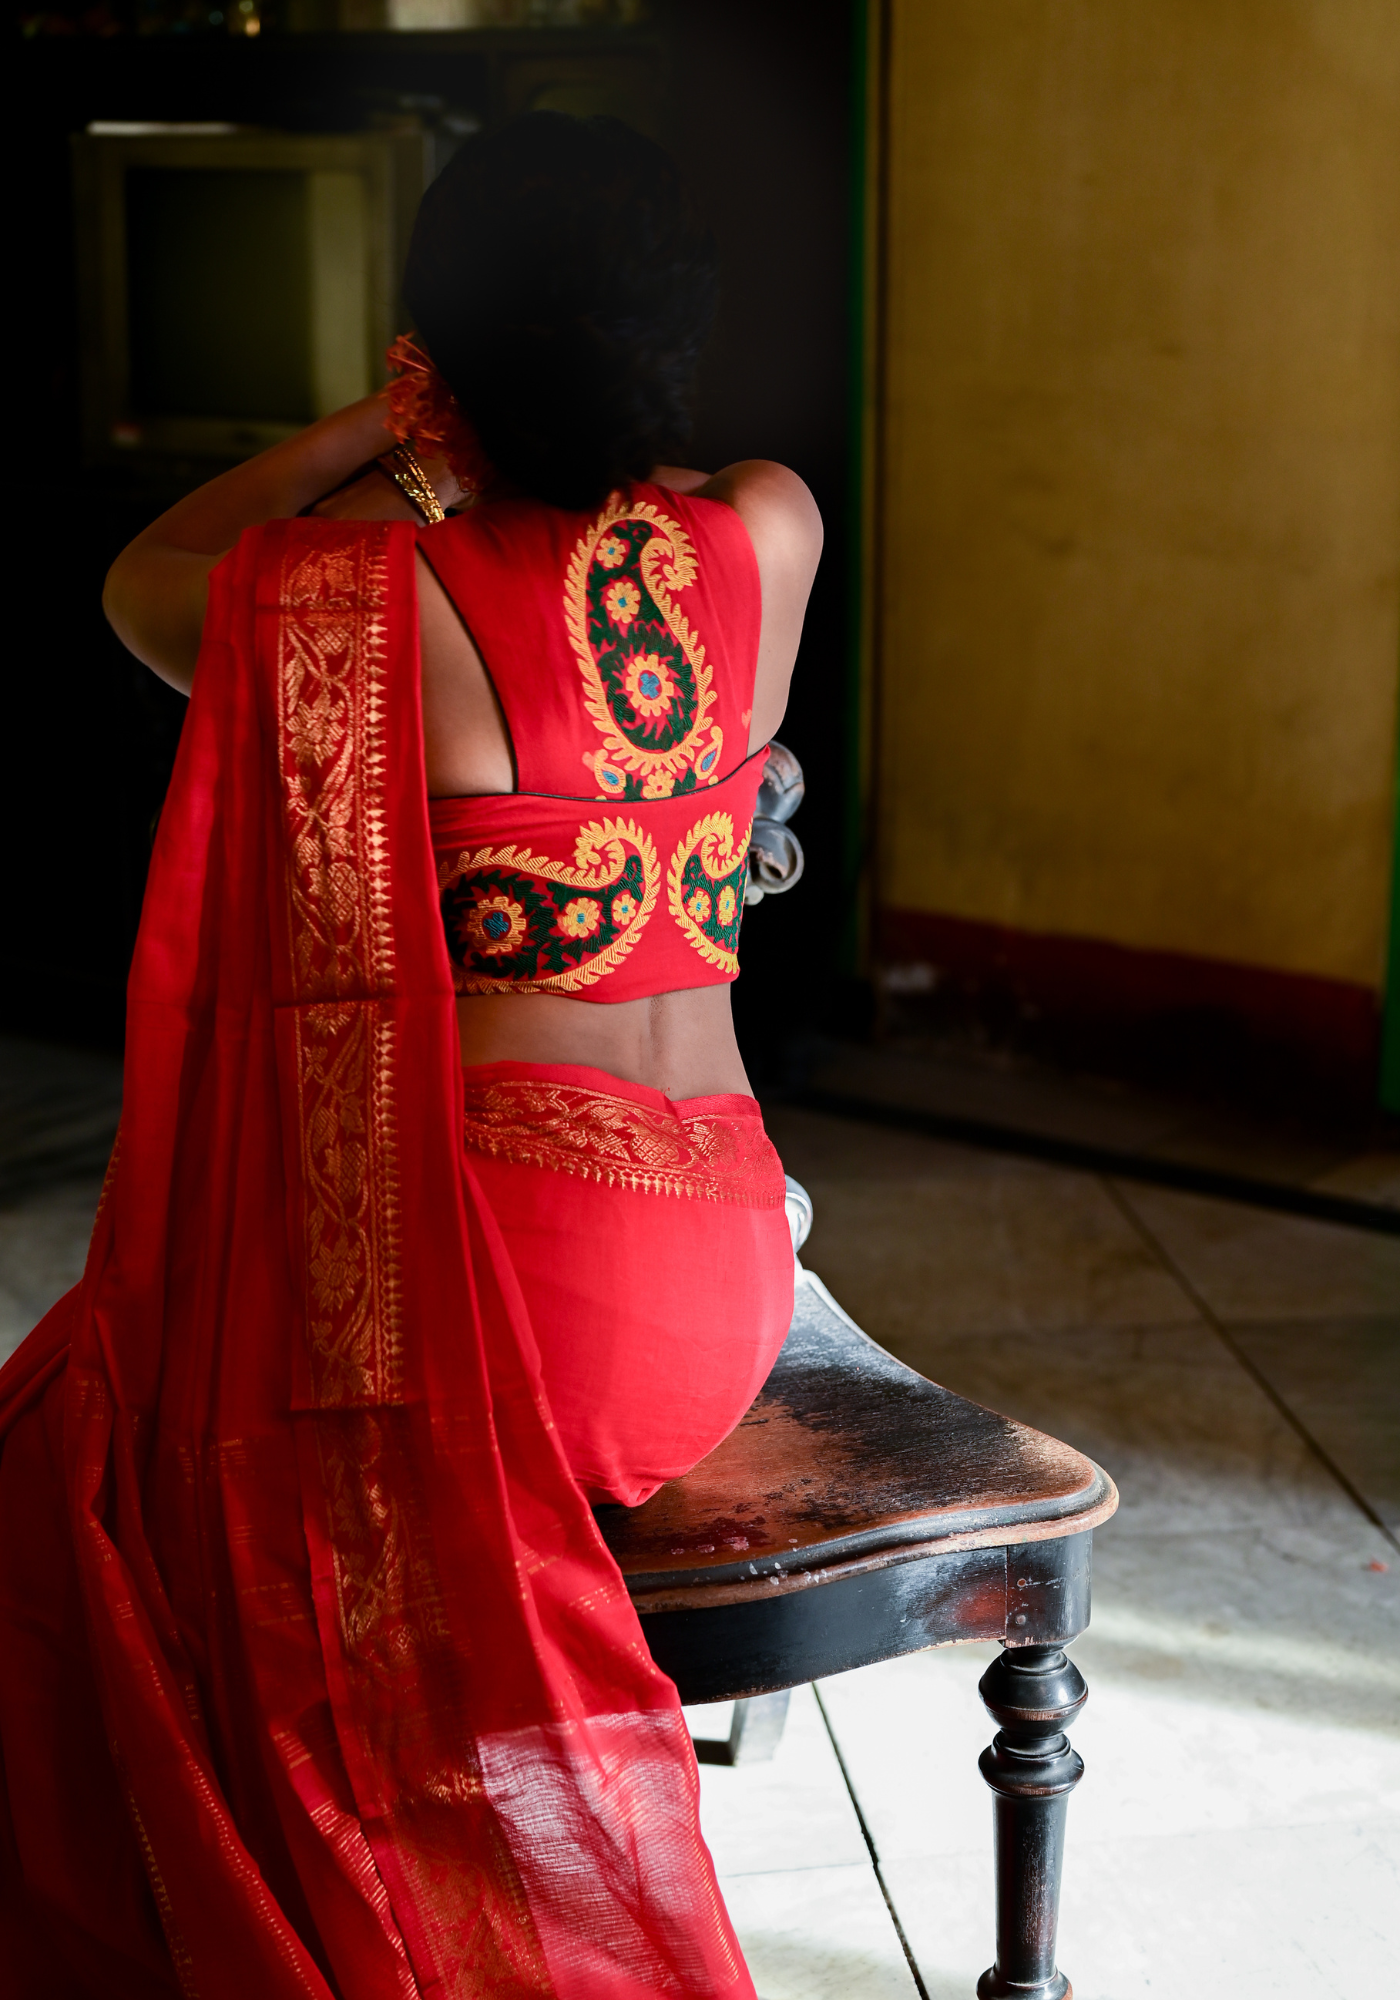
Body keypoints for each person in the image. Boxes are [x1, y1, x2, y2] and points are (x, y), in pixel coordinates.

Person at [0, 113, 821, 1997]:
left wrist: (392, 428)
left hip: (510, 1317)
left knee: (77, 1452)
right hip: (721, 1281)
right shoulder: (765, 530)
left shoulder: (360, 593)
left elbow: (145, 576)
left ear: (438, 344)